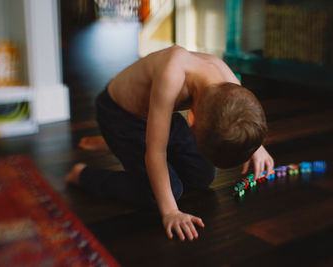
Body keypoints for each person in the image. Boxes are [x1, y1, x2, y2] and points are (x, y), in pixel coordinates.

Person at [65, 45, 274, 241]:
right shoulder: (172, 72)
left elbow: (242, 114)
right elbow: (155, 152)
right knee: (167, 192)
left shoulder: (224, 79)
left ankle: (114, 142)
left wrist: (256, 147)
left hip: (158, 115)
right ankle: (84, 174)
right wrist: (171, 211)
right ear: (191, 119)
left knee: (204, 175)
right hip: (120, 117)